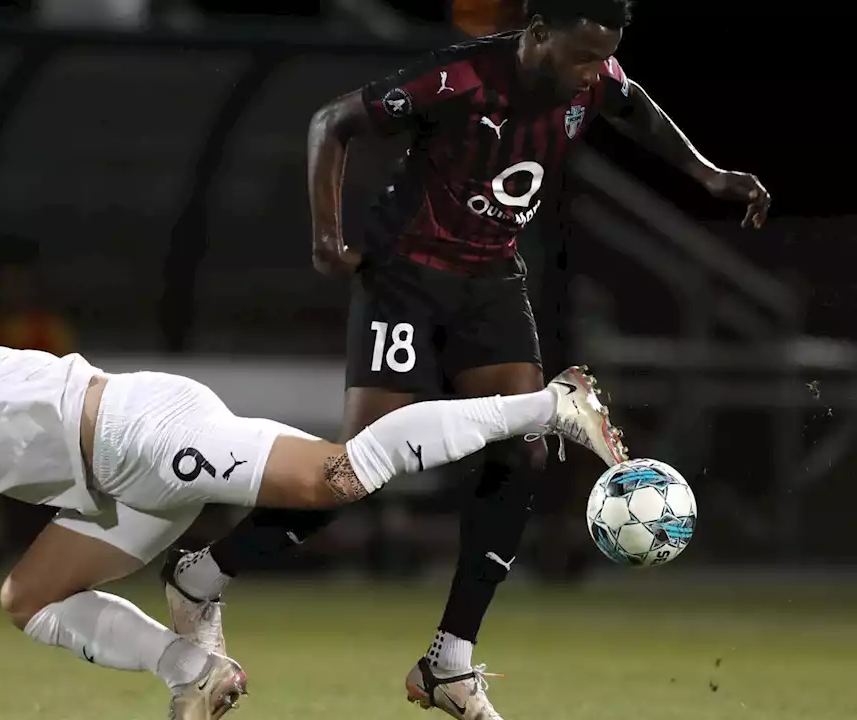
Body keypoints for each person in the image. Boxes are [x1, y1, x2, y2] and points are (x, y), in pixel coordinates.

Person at [161, 1, 770, 718]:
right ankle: (203, 574)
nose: (589, 75)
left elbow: (635, 108)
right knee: (353, 473)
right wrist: (328, 238)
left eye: (599, 59)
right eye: (578, 57)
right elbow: (333, 122)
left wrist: (708, 175)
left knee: (526, 453)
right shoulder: (461, 78)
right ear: (538, 34)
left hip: (491, 280)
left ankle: (449, 661)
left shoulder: (593, 75)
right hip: (404, 278)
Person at [0, 334, 622, 719]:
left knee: (329, 477)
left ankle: (549, 402)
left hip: (139, 433)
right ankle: (194, 671)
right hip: (118, 490)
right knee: (26, 597)